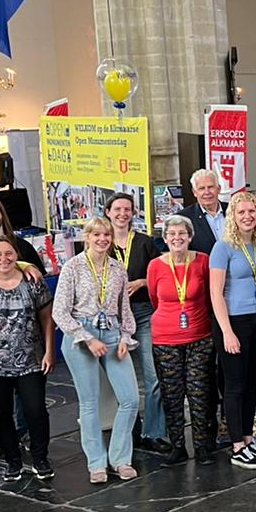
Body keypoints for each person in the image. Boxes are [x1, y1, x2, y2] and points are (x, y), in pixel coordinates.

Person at [54, 216, 140, 484]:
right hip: (81, 333)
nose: (102, 239)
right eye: (97, 235)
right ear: (87, 237)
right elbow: (60, 312)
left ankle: (120, 458)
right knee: (89, 402)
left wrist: (126, 336)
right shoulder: (73, 267)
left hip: (112, 331)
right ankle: (96, 463)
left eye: (107, 235)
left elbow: (124, 307)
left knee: (130, 398)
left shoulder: (118, 269)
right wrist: (87, 339)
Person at [0, 235, 55, 481]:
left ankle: (40, 457)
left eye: (9, 253)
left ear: (17, 256)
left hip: (31, 359)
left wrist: (50, 351)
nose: (4, 259)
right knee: (1, 414)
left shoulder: (33, 281)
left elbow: (47, 318)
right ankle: (12, 461)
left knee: (36, 410)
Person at [210, 190, 256, 466]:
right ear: (232, 217)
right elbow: (215, 293)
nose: (247, 216)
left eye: (252, 212)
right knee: (235, 385)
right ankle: (237, 445)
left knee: (252, 382)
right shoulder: (223, 247)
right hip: (233, 322)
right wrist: (226, 331)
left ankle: (248, 438)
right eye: (241, 213)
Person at [147, 214, 216, 465]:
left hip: (200, 336)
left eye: (182, 233)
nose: (177, 238)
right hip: (165, 338)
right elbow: (156, 299)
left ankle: (203, 445)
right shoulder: (156, 266)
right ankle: (177, 446)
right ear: (165, 239)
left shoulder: (203, 261)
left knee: (199, 392)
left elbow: (209, 296)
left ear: (190, 236)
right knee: (172, 393)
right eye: (172, 234)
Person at [106, 193, 168, 455]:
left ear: (133, 213)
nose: (122, 213)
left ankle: (154, 432)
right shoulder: (101, 242)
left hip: (142, 313)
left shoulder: (145, 243)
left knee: (154, 375)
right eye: (117, 209)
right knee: (121, 379)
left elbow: (159, 274)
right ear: (108, 212)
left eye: (127, 209)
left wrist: (141, 282)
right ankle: (129, 429)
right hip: (111, 317)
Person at [181, 168, 228, 254]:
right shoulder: (184, 218)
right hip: (203, 267)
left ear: (219, 189)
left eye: (210, 187)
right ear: (194, 192)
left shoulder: (233, 210)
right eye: (202, 188)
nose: (207, 192)